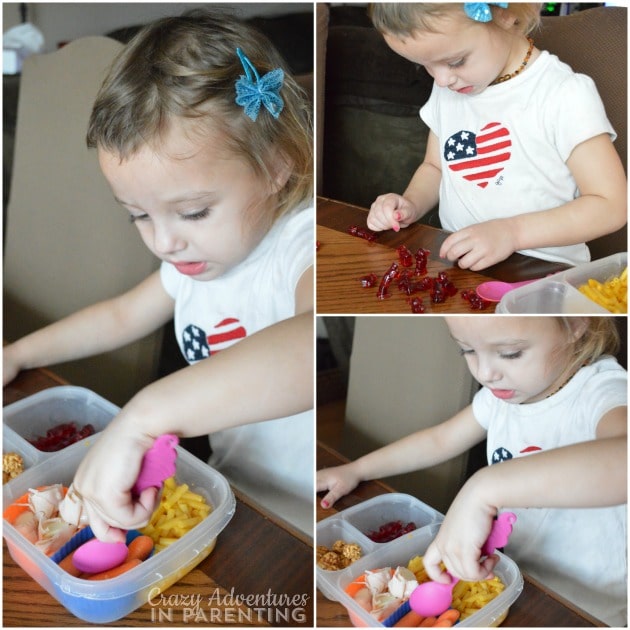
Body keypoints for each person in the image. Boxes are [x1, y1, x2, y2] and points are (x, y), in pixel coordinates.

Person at [3, 10, 314, 537]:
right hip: (233, 492)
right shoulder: (200, 260)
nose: (164, 242)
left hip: (304, 515)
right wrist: (16, 355)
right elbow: (123, 315)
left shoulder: (302, 244)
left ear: (277, 164)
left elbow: (305, 349)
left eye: (193, 212)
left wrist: (145, 416)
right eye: (139, 215)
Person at [317, 317, 627, 626]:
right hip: (524, 580)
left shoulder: (603, 390)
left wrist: (484, 488)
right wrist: (357, 469)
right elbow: (439, 440)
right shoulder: (502, 398)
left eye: (510, 353)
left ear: (575, 323)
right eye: (467, 351)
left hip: (595, 603)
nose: (484, 373)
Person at [366, 3, 627, 270]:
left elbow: (611, 205)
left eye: (455, 61)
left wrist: (512, 233)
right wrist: (410, 204)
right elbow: (436, 167)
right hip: (461, 263)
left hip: (543, 272)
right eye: (425, 66)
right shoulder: (449, 88)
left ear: (506, 13)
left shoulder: (563, 94)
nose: (442, 80)